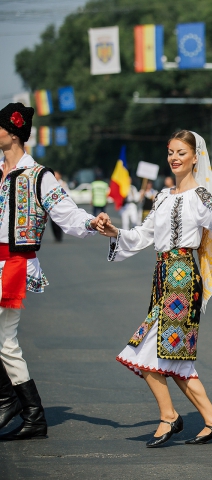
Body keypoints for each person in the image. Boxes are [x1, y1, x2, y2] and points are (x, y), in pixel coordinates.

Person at [96, 130, 212, 447]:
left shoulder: (203, 195)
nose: (174, 157)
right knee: (172, 355)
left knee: (141, 351)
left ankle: (169, 416)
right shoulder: (161, 197)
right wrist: (114, 231)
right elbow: (144, 235)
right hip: (163, 277)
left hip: (184, 277)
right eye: (171, 151)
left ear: (195, 156)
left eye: (181, 152)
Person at [0, 103, 103, 440]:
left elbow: (68, 215)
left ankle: (11, 401)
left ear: (13, 133)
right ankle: (32, 414)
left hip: (15, 263)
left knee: (4, 341)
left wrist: (92, 221)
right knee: (5, 343)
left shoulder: (39, 176)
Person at [50, 171, 70, 242]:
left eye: (56, 175)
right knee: (53, 223)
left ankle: (59, 237)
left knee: (59, 222)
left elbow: (68, 193)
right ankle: (56, 236)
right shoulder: (51, 184)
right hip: (52, 206)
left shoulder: (63, 184)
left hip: (60, 205)